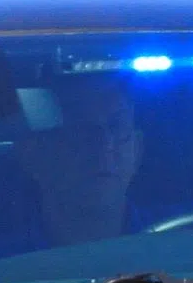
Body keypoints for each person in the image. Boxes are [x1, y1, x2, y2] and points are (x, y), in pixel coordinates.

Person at [11, 74, 144, 247]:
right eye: (80, 129)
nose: (104, 145)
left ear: (138, 149)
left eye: (116, 126)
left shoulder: (183, 241)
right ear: (31, 154)